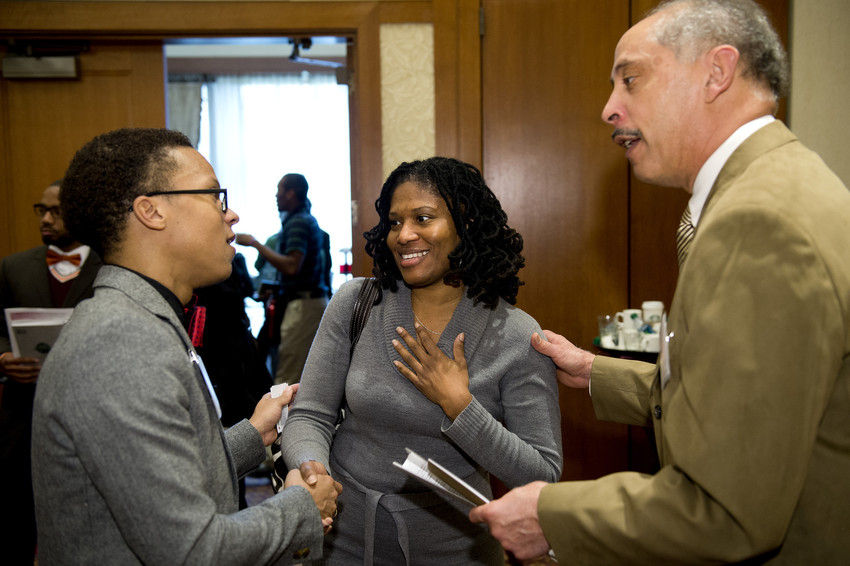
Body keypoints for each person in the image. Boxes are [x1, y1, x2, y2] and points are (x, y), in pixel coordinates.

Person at [469, 1, 850, 564]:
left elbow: (725, 509)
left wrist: (549, 516)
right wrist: (596, 372)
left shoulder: (758, 222)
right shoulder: (783, 182)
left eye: (631, 79)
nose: (609, 108)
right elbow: (746, 401)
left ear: (716, 72)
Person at [30, 128, 342, 565]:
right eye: (215, 196)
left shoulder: (145, 317)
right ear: (151, 211)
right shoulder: (119, 344)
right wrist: (300, 508)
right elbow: (193, 550)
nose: (231, 215)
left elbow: (158, 477)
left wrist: (253, 435)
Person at [281, 156, 563, 564]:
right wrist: (312, 472)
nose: (404, 235)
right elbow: (311, 414)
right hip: (342, 536)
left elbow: (542, 474)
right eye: (395, 222)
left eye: (423, 218)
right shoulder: (356, 303)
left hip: (457, 547)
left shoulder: (516, 334)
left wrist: (460, 406)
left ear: (466, 225)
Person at [0, 179, 103, 566]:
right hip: (23, 414)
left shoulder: (110, 267)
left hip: (90, 413)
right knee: (16, 518)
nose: (45, 219)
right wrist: (3, 357)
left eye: (55, 211)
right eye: (40, 210)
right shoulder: (13, 267)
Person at [236, 173, 331, 385]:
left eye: (279, 190)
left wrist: (255, 243)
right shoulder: (304, 219)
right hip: (308, 301)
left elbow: (291, 266)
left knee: (287, 376)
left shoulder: (297, 222)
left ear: (290, 193)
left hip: (303, 305)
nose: (276, 196)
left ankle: (282, 409)